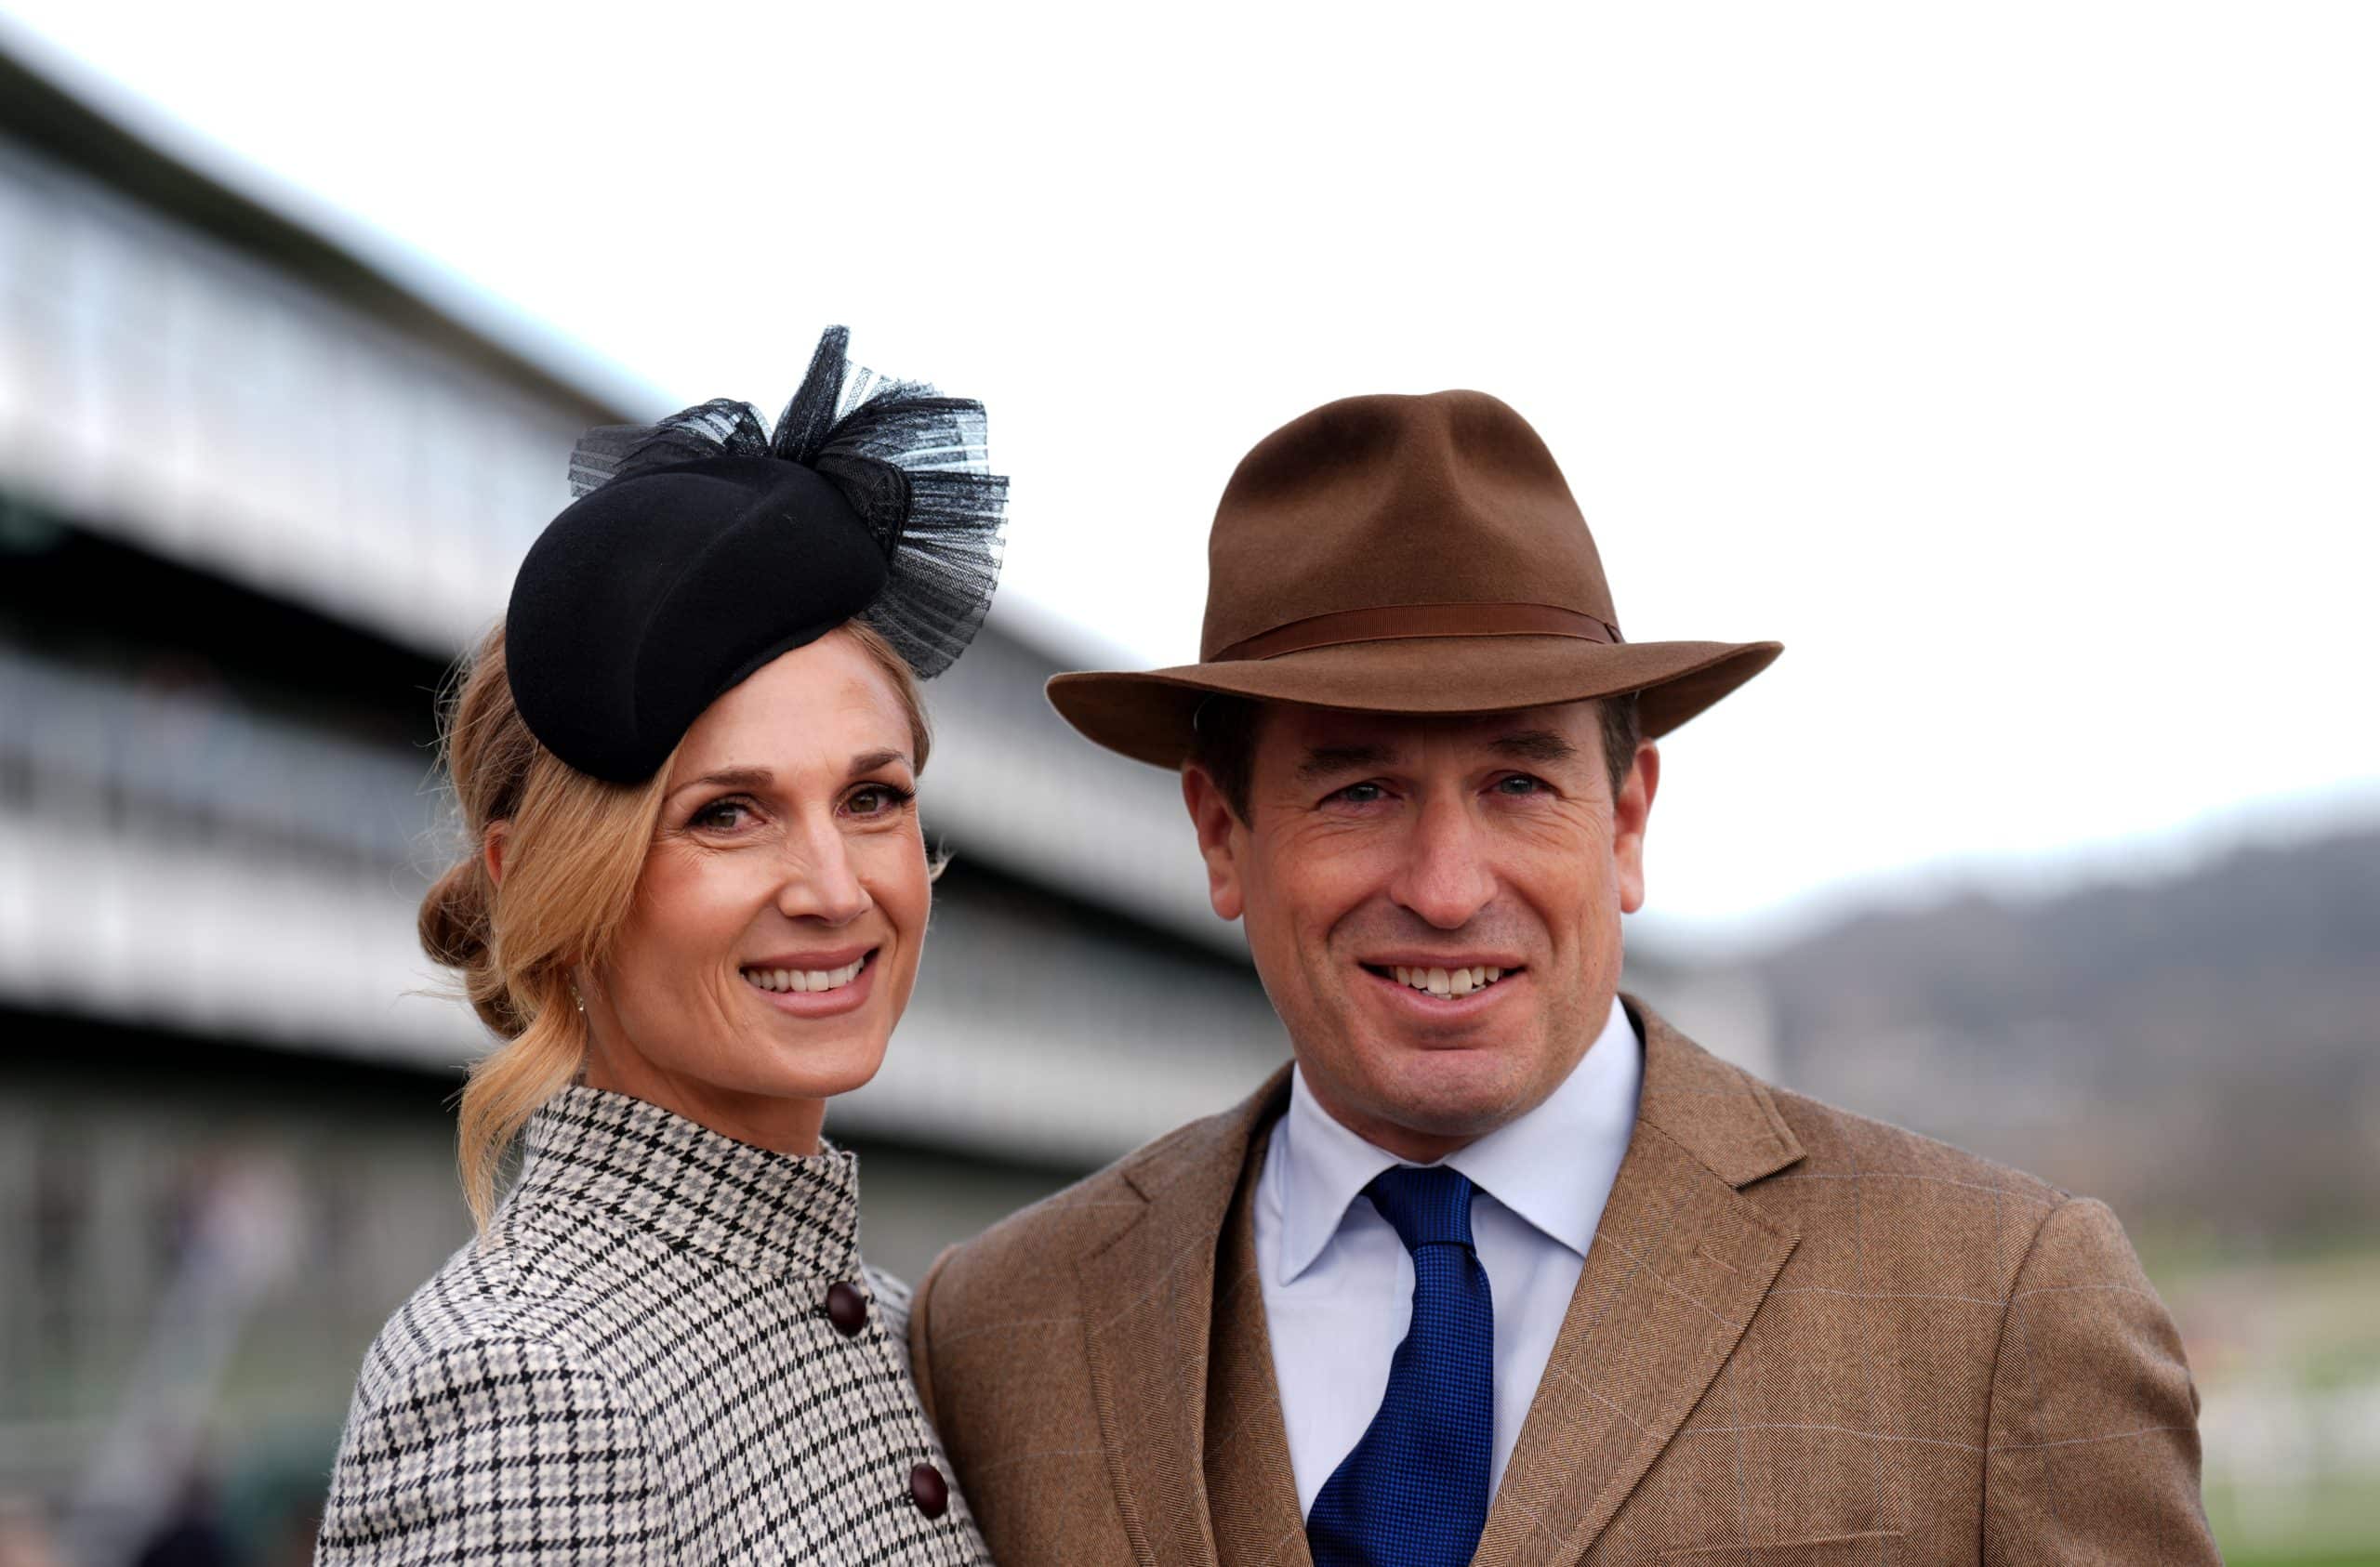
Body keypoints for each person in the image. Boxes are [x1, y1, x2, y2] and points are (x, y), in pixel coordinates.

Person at [906, 389, 2218, 1563]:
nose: (1446, 883)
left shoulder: (2000, 1302)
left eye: (1518, 781)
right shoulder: (996, 1336)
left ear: (1627, 819)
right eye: (1359, 787)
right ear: (1220, 834)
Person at [315, 328, 1003, 1566]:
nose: (836, 888)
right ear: (540, 883)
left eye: (872, 797)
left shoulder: (895, 1324)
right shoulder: (525, 1387)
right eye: (726, 813)